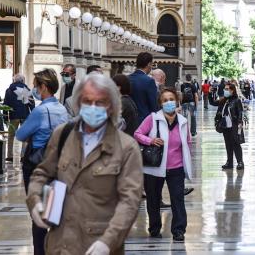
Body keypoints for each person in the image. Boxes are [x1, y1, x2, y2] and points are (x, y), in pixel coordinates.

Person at [25, 73, 143, 255]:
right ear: (79, 103)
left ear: (111, 106)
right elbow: (42, 173)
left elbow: (130, 202)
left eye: (100, 102)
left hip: (97, 246)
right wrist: (35, 202)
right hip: (60, 245)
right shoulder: (62, 135)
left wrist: (108, 242)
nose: (93, 107)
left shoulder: (126, 147)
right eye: (87, 101)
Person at [16, 68, 69, 255]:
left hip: (38, 166)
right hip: (58, 164)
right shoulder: (62, 109)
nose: (34, 89)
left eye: (36, 86)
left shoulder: (41, 111)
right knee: (54, 213)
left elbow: (20, 135)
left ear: (44, 87)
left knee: (38, 215)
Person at [134, 88, 192, 241]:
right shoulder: (152, 119)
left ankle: (178, 230)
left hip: (176, 167)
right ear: (160, 103)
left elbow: (187, 143)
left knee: (177, 199)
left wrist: (187, 164)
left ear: (177, 101)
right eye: (165, 100)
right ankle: (154, 228)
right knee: (153, 199)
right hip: (154, 167)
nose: (168, 102)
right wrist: (150, 140)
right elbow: (137, 133)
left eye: (171, 99)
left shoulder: (183, 122)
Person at [209, 83, 245, 170]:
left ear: (232, 90)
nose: (225, 90)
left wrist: (240, 124)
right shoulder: (223, 100)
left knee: (236, 144)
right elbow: (212, 102)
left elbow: (240, 112)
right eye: (225, 89)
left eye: (227, 89)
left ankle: (240, 162)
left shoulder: (236, 100)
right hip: (225, 126)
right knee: (228, 145)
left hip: (234, 125)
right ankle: (229, 162)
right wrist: (210, 93)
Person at [3, 74, 35, 161]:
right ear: (23, 80)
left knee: (11, 136)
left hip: (13, 116)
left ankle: (10, 156)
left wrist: (5, 117)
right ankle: (23, 156)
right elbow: (31, 104)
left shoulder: (9, 90)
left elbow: (5, 105)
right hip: (25, 115)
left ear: (14, 80)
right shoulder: (25, 89)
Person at [129, 52, 158, 124]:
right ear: (148, 64)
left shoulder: (127, 78)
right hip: (144, 121)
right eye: (152, 64)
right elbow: (153, 105)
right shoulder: (149, 81)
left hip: (129, 121)